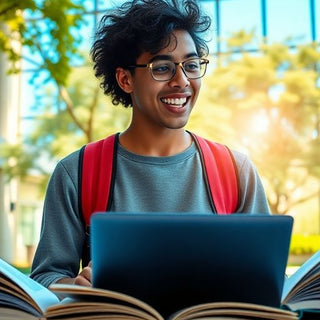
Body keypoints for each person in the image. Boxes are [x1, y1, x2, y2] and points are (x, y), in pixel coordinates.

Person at [30, 0, 270, 288]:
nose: (181, 81)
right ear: (125, 79)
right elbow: (44, 279)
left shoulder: (236, 171)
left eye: (191, 65)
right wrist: (73, 286)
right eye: (162, 67)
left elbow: (266, 277)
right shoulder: (77, 173)